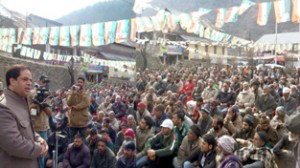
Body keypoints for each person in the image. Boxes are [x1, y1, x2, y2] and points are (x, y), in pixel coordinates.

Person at [0, 64, 48, 168]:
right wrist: (39, 149)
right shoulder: (4, 108)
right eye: (25, 79)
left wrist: (39, 139)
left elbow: (27, 130)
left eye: (30, 80)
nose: (29, 83)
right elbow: (13, 143)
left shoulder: (21, 102)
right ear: (12, 81)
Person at [28, 74, 52, 168]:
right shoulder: (31, 93)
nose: (45, 84)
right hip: (34, 126)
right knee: (33, 153)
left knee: (42, 153)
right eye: (43, 81)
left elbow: (49, 112)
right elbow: (28, 110)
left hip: (43, 127)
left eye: (46, 82)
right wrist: (36, 102)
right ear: (39, 81)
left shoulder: (47, 94)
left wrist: (43, 105)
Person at [67, 77, 90, 142]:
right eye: (78, 82)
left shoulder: (86, 92)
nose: (79, 83)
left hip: (82, 121)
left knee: (83, 140)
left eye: (81, 82)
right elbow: (69, 103)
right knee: (72, 140)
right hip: (73, 122)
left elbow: (86, 103)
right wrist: (73, 93)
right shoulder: (72, 92)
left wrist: (76, 107)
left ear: (83, 84)